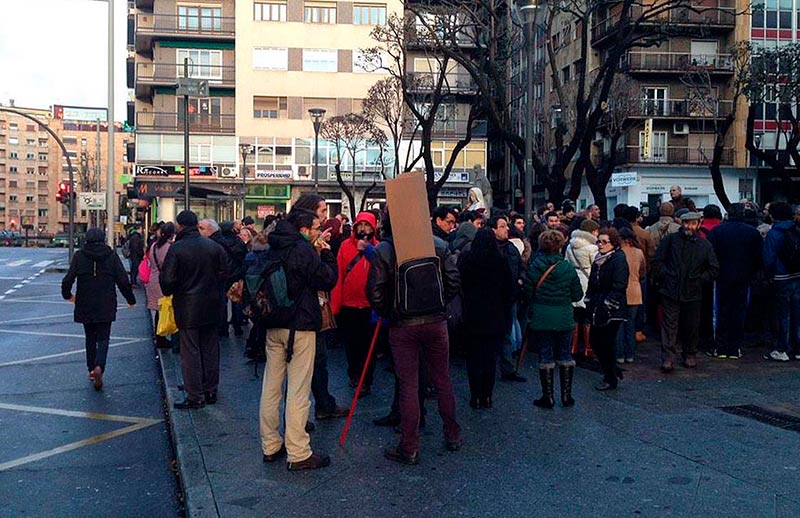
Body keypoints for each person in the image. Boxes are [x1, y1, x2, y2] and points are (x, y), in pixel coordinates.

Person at [368, 208, 462, 465]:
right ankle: (452, 433)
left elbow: (375, 291)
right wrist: (441, 304)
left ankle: (409, 447)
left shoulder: (384, 250)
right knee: (442, 378)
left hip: (403, 324)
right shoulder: (439, 245)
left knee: (408, 384)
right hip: (436, 321)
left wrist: (389, 311)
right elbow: (454, 280)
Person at [258, 208, 338, 471]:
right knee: (298, 390)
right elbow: (327, 278)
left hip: (273, 325)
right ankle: (298, 451)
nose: (317, 231)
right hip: (301, 326)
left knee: (271, 387)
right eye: (316, 227)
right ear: (303, 229)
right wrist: (326, 253)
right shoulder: (302, 249)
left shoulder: (274, 244)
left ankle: (270, 445)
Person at [160, 210, 230, 409]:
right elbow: (225, 272)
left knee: (190, 350)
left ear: (180, 226)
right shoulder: (213, 247)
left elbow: (167, 280)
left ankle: (195, 395)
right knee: (210, 348)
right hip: (213, 304)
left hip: (188, 306)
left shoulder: (178, 249)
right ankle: (210, 389)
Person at [62, 228, 136, 390]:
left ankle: (91, 369)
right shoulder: (111, 256)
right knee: (103, 338)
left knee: (90, 337)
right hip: (106, 302)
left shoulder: (79, 256)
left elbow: (68, 279)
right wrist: (130, 299)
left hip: (85, 302)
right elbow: (122, 280)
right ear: (103, 239)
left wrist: (67, 295)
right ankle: (99, 367)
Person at [652, 212, 719, 372]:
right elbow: (658, 261)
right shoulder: (670, 240)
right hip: (671, 289)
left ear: (698, 224)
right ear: (682, 223)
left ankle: (690, 353)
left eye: (693, 223)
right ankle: (668, 356)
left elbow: (714, 268)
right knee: (669, 325)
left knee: (691, 325)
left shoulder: (704, 245)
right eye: (687, 223)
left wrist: (699, 279)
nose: (689, 226)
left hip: (693, 290)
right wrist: (666, 275)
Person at [525, 230, 583, 408]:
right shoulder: (567, 267)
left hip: (542, 316)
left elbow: (528, 292)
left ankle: (547, 397)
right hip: (564, 316)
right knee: (565, 354)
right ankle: (567, 396)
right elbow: (577, 294)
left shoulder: (536, 265)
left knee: (545, 355)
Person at [458, 228, 513, 409]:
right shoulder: (500, 261)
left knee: (473, 358)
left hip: (472, 314)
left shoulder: (466, 260)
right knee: (490, 358)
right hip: (494, 315)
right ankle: (487, 396)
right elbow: (509, 291)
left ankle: (475, 395)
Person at [331, 211, 380, 396]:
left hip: (370, 306)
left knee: (369, 346)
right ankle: (354, 373)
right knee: (351, 344)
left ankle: (367, 380)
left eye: (367, 226)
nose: (364, 229)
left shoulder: (378, 248)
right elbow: (339, 276)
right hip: (349, 305)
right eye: (360, 225)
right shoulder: (345, 246)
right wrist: (336, 305)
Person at [706, 203, 763, 359]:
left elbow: (710, 255)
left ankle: (720, 346)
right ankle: (734, 347)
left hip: (722, 277)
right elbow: (758, 257)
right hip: (743, 277)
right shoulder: (752, 233)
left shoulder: (717, 232)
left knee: (721, 311)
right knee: (739, 312)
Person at [585, 227, 629, 391]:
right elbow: (592, 282)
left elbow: (619, 285)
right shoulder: (598, 259)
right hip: (597, 304)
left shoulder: (618, 259)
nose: (600, 245)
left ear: (613, 243)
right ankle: (611, 371)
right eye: (599, 241)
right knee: (596, 341)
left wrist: (608, 304)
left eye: (604, 242)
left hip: (612, 309)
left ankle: (610, 377)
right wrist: (589, 300)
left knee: (606, 342)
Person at [488, 215, 526, 382]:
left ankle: (508, 369)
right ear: (493, 229)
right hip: (492, 298)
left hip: (509, 296)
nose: (506, 229)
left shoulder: (511, 247)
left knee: (507, 333)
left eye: (506, 226)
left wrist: (521, 279)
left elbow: (522, 267)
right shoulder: (487, 248)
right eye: (502, 226)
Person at [762, 202, 800, 362]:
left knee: (783, 314)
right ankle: (797, 348)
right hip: (797, 274)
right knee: (797, 313)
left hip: (780, 276)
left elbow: (768, 258)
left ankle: (782, 348)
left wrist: (768, 275)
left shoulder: (774, 233)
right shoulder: (796, 229)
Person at [564, 218, 599, 357]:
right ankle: (587, 347)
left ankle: (573, 346)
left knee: (575, 315)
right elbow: (595, 266)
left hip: (573, 280)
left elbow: (566, 263)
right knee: (587, 316)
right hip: (587, 280)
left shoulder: (570, 246)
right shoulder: (593, 248)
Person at [615, 228, 646, 364]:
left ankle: (619, 354)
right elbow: (643, 270)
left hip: (620, 291)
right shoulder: (639, 252)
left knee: (619, 324)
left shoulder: (617, 253)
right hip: (635, 289)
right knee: (631, 323)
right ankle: (630, 354)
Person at [145, 222, 175, 349]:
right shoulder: (169, 247)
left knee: (159, 310)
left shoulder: (154, 246)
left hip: (153, 280)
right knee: (169, 308)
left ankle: (160, 337)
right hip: (164, 281)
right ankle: (165, 337)